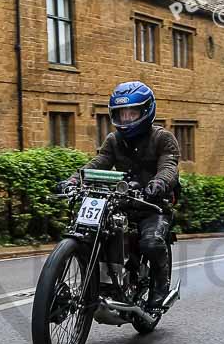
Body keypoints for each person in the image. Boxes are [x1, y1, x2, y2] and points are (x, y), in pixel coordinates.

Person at [58, 81, 180, 310]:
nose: (127, 119)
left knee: (152, 243)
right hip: (121, 202)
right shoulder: (114, 140)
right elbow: (98, 163)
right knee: (92, 233)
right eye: (122, 114)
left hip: (152, 205)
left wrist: (158, 184)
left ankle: (159, 287)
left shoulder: (163, 138)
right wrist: (74, 180)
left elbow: (169, 167)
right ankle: (96, 282)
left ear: (146, 111)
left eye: (132, 113)